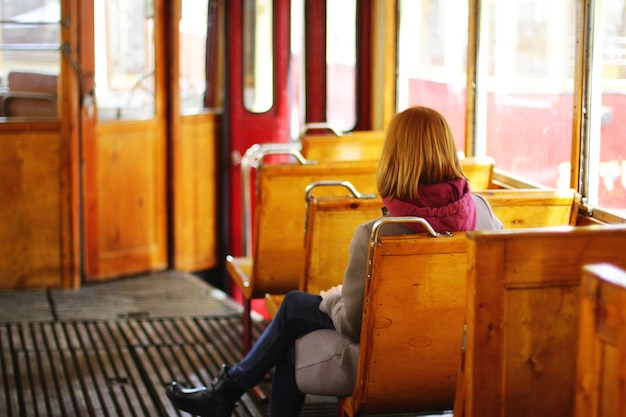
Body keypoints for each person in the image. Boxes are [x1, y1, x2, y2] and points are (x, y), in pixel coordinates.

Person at [165, 106, 504, 417]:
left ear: (394, 158)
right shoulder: (485, 216)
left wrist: (332, 298)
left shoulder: (377, 234)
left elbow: (354, 327)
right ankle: (225, 392)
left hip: (386, 365)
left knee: (293, 323)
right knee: (295, 309)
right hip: (459, 362)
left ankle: (225, 393)